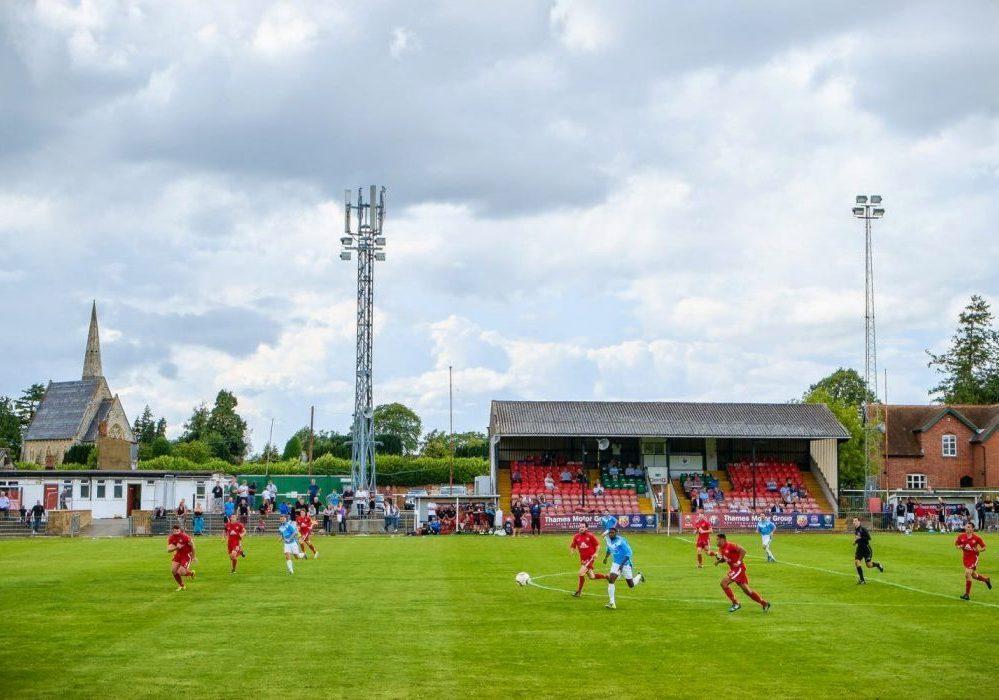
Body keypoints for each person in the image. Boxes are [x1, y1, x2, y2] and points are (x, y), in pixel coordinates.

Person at [714, 533, 770, 613]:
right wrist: (719, 561)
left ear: (723, 539)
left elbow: (743, 550)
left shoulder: (730, 545)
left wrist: (739, 561)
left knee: (724, 583)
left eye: (717, 539)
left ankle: (736, 603)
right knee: (747, 591)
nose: (716, 541)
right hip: (735, 569)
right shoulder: (721, 549)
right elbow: (725, 558)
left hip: (738, 568)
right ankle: (764, 603)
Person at [601, 527, 644, 609]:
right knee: (611, 580)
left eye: (612, 533)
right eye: (610, 533)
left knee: (631, 585)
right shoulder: (608, 540)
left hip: (626, 564)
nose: (610, 534)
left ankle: (639, 576)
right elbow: (609, 549)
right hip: (615, 563)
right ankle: (612, 603)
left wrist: (622, 565)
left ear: (616, 533)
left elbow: (629, 553)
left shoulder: (621, 541)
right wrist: (606, 558)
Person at [955, 522, 992, 600]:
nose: (967, 528)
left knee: (967, 573)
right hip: (965, 558)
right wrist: (959, 546)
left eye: (969, 527)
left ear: (972, 529)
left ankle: (967, 595)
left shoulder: (976, 538)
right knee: (974, 576)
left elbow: (984, 547)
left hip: (974, 558)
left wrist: (979, 550)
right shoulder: (961, 536)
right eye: (966, 527)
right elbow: (956, 544)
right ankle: (986, 579)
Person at [569, 523, 607, 597]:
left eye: (583, 527)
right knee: (592, 577)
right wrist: (572, 550)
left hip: (590, 558)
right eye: (580, 527)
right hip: (583, 559)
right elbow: (573, 545)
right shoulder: (576, 536)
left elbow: (598, 545)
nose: (581, 528)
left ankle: (579, 592)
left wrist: (596, 553)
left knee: (581, 573)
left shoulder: (590, 536)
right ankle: (606, 576)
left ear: (586, 528)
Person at [852, 517, 885, 584]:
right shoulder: (856, 530)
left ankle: (877, 565)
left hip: (866, 549)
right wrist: (855, 542)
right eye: (853, 521)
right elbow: (858, 538)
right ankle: (862, 580)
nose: (854, 522)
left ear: (859, 522)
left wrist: (858, 539)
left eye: (855, 521)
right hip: (860, 549)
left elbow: (868, 538)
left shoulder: (863, 529)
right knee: (857, 562)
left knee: (869, 565)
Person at [167, 524, 196, 591]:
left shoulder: (185, 537)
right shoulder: (171, 538)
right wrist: (176, 548)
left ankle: (191, 573)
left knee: (181, 572)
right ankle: (181, 585)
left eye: (178, 530)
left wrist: (193, 557)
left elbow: (193, 546)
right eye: (175, 531)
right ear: (172, 531)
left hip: (186, 555)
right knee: (173, 571)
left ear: (180, 530)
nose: (176, 532)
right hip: (178, 555)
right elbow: (168, 550)